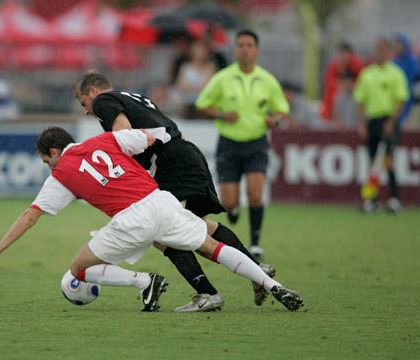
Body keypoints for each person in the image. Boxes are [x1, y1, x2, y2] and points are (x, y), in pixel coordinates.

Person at [0, 127, 304, 314]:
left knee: (79, 268)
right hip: (160, 199)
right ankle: (273, 285)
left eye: (46, 161)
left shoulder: (61, 175)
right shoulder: (107, 140)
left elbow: (31, 215)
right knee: (210, 245)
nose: (48, 167)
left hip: (132, 218)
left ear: (54, 153)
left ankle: (144, 283)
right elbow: (154, 135)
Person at [75, 71, 275, 313]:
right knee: (200, 225)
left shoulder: (103, 101)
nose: (87, 109)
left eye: (83, 101)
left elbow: (125, 136)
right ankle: (256, 270)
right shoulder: (135, 97)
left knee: (164, 232)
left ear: (94, 91)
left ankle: (207, 293)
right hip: (184, 153)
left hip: (171, 163)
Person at [195, 30, 290, 261]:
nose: (245, 49)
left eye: (249, 45)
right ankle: (234, 209)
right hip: (229, 144)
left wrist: (274, 120)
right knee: (228, 202)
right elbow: (202, 103)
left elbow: (282, 109)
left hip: (256, 143)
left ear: (256, 50)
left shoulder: (267, 80)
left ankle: (255, 244)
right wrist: (220, 114)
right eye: (241, 45)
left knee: (256, 194)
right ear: (235, 50)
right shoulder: (223, 78)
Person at [353, 38, 409, 213]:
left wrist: (392, 121)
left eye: (383, 49)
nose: (379, 52)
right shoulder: (367, 73)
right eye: (377, 49)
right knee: (372, 162)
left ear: (388, 51)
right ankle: (373, 200)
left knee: (388, 160)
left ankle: (394, 199)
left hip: (388, 120)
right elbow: (360, 100)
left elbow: (401, 99)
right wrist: (361, 123)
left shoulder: (395, 73)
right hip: (373, 120)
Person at [320, 42, 363, 124]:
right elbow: (329, 88)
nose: (344, 57)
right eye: (342, 54)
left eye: (346, 54)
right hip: (335, 110)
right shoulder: (334, 67)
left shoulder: (357, 66)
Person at [175, 41, 218, 118]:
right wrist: (198, 87)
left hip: (203, 98)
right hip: (187, 98)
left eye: (202, 52)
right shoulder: (185, 67)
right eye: (197, 52)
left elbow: (209, 87)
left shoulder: (211, 67)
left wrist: (191, 87)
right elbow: (181, 85)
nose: (199, 54)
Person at [393, 33, 420, 128]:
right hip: (396, 99)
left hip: (409, 99)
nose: (397, 47)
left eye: (399, 44)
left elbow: (416, 80)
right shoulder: (394, 61)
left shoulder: (412, 61)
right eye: (396, 44)